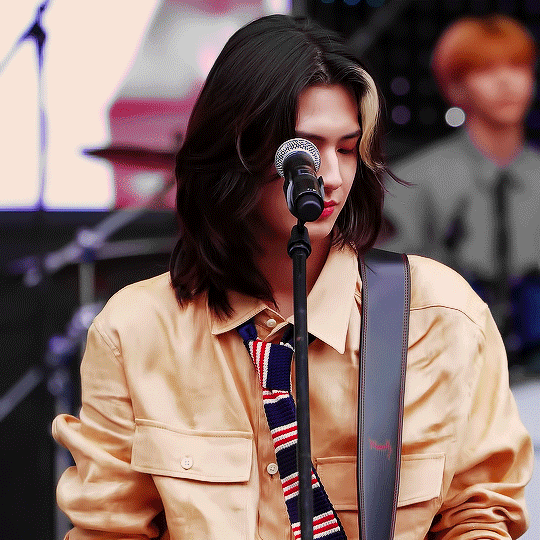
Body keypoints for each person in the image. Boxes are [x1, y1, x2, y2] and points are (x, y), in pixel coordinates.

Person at [52, 14, 533, 540]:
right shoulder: (136, 330)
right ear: (236, 150)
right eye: (302, 151)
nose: (331, 176)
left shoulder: (438, 315)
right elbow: (109, 530)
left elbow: (479, 515)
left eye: (346, 148)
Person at [380, 14, 540, 372]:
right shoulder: (412, 182)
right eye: (485, 69)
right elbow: (390, 299)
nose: (506, 81)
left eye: (517, 66)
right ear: (455, 87)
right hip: (444, 367)